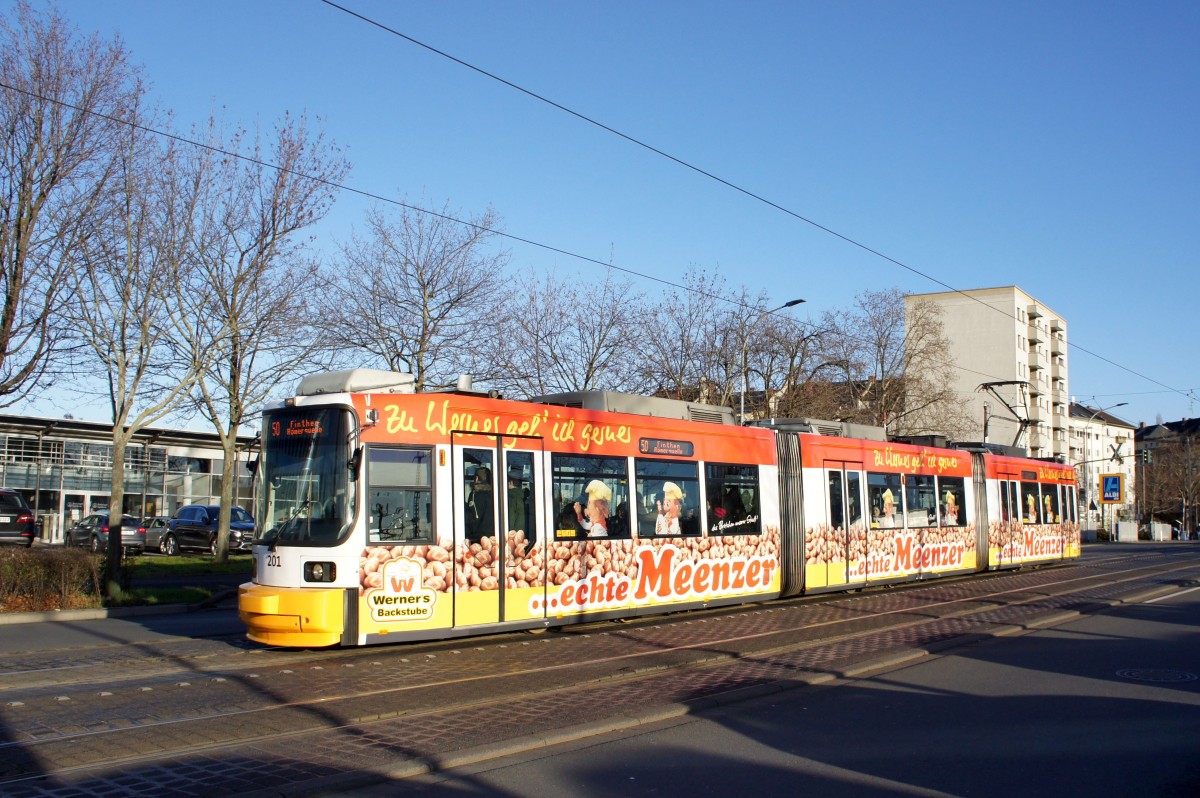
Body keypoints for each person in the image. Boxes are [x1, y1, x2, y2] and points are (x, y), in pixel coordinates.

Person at [466, 466, 494, 542]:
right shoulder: (494, 494)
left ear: (477, 478)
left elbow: (473, 518)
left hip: (479, 537)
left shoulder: (475, 495)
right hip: (493, 536)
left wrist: (468, 536)